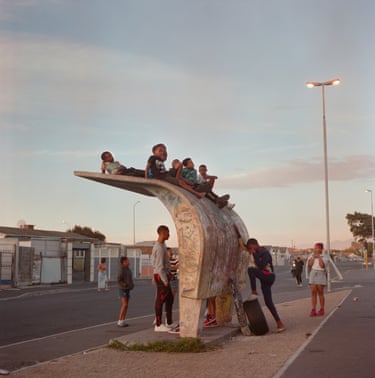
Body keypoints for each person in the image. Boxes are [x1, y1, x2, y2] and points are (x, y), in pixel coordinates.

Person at [236, 229, 285, 333]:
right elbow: (243, 246)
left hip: (269, 276)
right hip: (264, 278)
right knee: (268, 302)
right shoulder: (253, 250)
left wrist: (254, 254)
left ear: (255, 245)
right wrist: (238, 233)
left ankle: (254, 291)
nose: (250, 251)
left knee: (251, 270)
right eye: (249, 249)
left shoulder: (264, 252)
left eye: (251, 249)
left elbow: (261, 266)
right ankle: (279, 322)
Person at [151, 225, 175, 332]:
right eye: (167, 232)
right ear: (162, 233)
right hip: (161, 276)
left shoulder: (161, 245)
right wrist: (165, 280)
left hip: (163, 274)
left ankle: (169, 322)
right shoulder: (159, 248)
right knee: (160, 300)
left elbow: (153, 261)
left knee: (170, 298)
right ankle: (159, 324)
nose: (169, 235)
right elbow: (159, 266)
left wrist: (169, 273)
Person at [308, 243, 328, 317]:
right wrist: (313, 257)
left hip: (320, 273)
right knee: (313, 292)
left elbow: (322, 265)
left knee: (320, 292)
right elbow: (310, 264)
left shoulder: (325, 256)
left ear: (321, 249)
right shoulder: (311, 255)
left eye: (317, 248)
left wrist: (319, 257)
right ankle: (313, 309)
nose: (316, 249)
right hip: (313, 273)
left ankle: (322, 309)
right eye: (315, 248)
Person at [117, 256, 134, 327]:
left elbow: (129, 279)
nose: (128, 262)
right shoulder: (121, 270)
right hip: (122, 289)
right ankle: (120, 320)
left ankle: (123, 320)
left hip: (127, 289)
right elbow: (119, 279)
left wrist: (131, 285)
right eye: (127, 261)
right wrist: (125, 285)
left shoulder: (128, 269)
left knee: (126, 305)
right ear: (123, 262)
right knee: (124, 304)